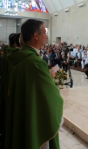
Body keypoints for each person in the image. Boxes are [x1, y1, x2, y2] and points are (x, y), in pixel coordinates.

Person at [5, 19, 63, 149]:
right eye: (44, 33)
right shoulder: (35, 62)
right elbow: (51, 96)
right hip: (34, 118)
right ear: (36, 36)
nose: (46, 36)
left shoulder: (20, 57)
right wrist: (49, 78)